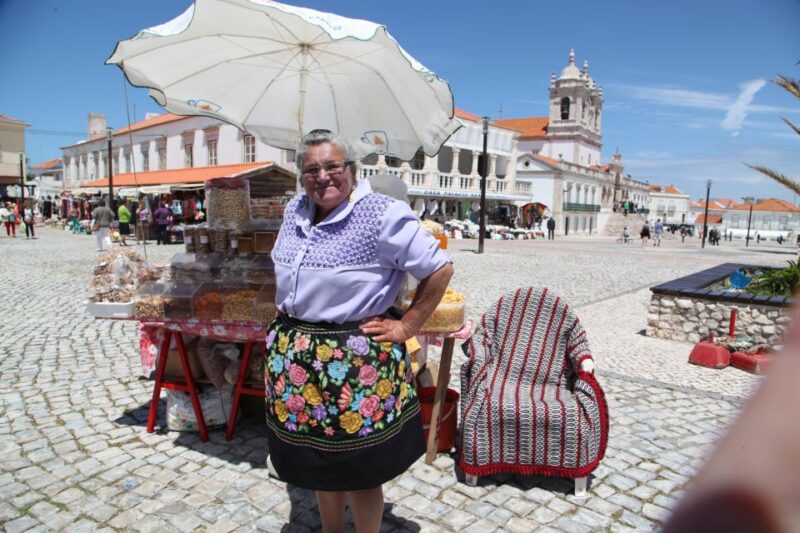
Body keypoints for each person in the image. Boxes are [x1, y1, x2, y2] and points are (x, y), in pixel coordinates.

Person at [265, 130, 453, 532]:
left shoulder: (381, 213)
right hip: (297, 363)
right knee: (319, 465)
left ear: (351, 169)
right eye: (311, 168)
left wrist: (407, 324)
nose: (323, 176)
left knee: (359, 469)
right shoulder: (294, 210)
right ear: (302, 175)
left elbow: (439, 269)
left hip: (353, 364)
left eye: (333, 166)